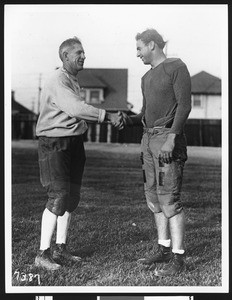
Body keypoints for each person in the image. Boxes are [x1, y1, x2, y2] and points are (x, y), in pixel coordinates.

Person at [35, 36, 122, 270]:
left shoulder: (72, 79)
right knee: (58, 195)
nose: (84, 56)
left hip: (73, 142)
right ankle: (42, 254)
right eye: (79, 53)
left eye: (84, 52)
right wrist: (108, 116)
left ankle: (60, 249)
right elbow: (75, 108)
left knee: (71, 198)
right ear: (65, 56)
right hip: (54, 144)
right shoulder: (57, 80)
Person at [120, 28, 191, 276]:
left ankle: (178, 259)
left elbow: (184, 105)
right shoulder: (145, 78)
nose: (137, 53)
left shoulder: (176, 67)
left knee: (169, 199)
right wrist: (128, 120)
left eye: (139, 48)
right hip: (147, 139)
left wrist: (172, 138)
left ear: (152, 45)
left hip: (166, 138)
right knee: (153, 197)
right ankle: (163, 249)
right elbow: (144, 113)